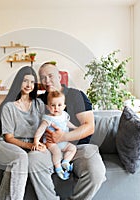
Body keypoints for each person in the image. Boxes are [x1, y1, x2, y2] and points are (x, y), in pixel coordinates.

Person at [28, 62, 106, 200]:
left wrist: (63, 137)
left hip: (80, 149)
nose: (47, 81)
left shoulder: (76, 95)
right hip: (49, 148)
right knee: (33, 160)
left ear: (59, 76)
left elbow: (89, 126)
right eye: (43, 77)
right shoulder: (39, 101)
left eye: (50, 76)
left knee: (96, 174)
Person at [0, 66, 58, 200]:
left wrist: (41, 144)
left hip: (30, 144)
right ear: (18, 82)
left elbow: (45, 125)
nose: (29, 85)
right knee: (21, 157)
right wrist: (30, 146)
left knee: (21, 164)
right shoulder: (8, 106)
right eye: (25, 81)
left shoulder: (39, 104)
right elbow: (9, 137)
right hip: (7, 145)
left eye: (32, 82)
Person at [33, 90, 77, 180]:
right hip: (51, 142)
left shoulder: (64, 115)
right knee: (57, 152)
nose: (56, 108)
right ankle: (58, 167)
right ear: (48, 107)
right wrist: (36, 141)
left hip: (63, 141)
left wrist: (75, 128)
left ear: (64, 106)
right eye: (53, 105)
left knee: (72, 148)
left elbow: (67, 123)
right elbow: (40, 130)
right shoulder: (48, 118)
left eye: (59, 105)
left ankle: (65, 161)